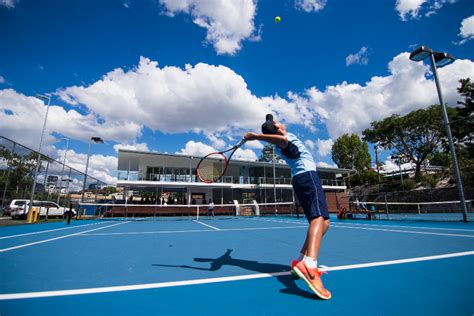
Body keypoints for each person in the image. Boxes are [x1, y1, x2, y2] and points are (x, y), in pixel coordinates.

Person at [243, 114, 331, 300]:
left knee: (325, 223)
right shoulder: (285, 140)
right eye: (276, 124)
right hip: (307, 177)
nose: (280, 123)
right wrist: (256, 137)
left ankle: (299, 261)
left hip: (305, 178)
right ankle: (310, 265)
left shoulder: (285, 139)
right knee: (317, 219)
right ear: (278, 129)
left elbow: (276, 134)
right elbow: (280, 139)